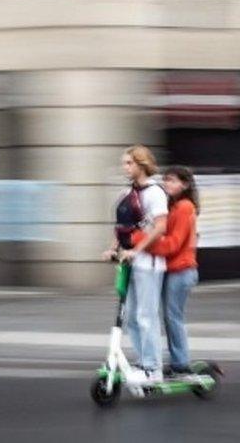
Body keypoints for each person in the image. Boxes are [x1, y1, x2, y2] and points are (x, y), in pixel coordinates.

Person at [102, 145, 168, 384]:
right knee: (129, 317)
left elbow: (160, 227)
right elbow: (121, 228)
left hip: (149, 262)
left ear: (141, 165)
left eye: (129, 163)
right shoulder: (125, 193)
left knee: (145, 316)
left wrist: (136, 250)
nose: (125, 167)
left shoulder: (154, 193)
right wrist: (113, 248)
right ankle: (143, 363)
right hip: (129, 261)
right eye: (124, 163)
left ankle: (153, 369)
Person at [131, 166, 199, 377]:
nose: (167, 184)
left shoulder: (185, 207)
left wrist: (139, 240)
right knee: (166, 316)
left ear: (185, 184)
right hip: (171, 270)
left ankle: (180, 363)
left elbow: (171, 245)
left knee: (172, 317)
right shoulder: (174, 206)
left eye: (172, 180)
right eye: (166, 180)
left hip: (181, 271)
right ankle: (174, 360)